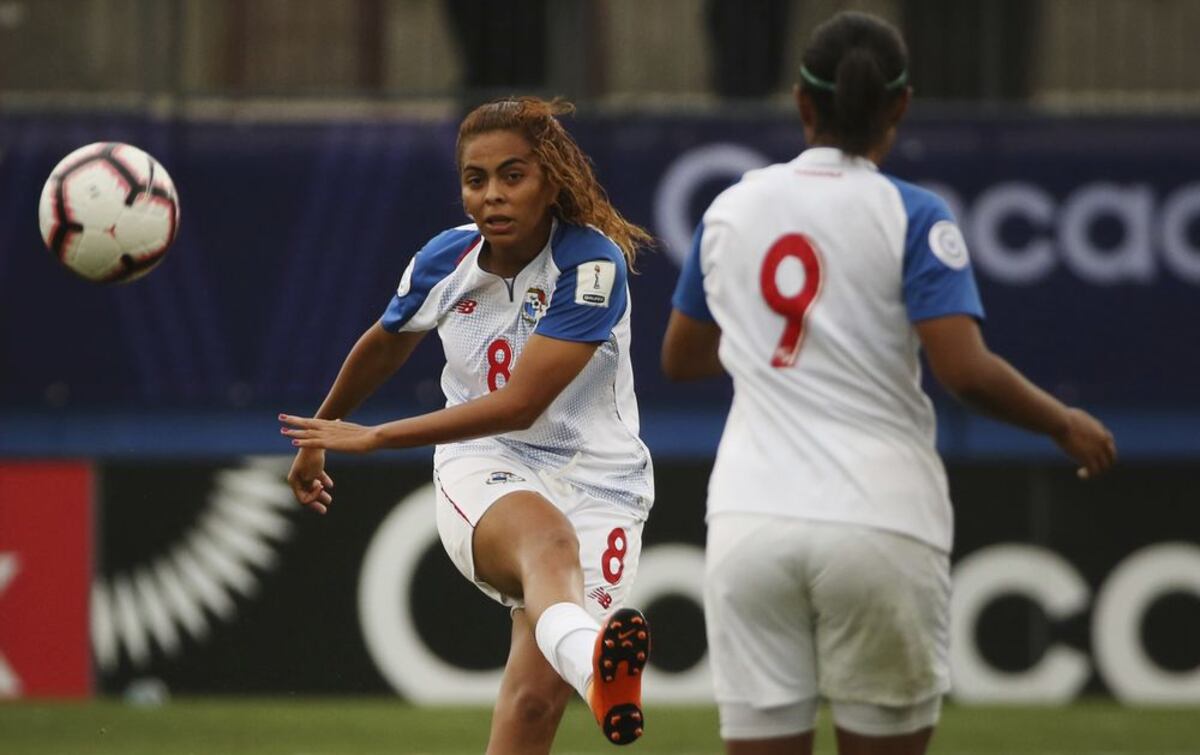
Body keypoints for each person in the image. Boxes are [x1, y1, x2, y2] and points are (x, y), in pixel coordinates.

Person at [662, 11, 1115, 755]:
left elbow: (681, 357)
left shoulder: (730, 207)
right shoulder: (913, 213)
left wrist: (778, 350)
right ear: (899, 106)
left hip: (749, 522)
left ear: (803, 105)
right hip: (878, 520)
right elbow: (962, 369)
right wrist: (1061, 421)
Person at [280, 96, 655, 753]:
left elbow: (522, 400)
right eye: (475, 180)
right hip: (484, 458)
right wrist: (324, 431)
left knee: (535, 700)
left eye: (513, 176)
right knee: (550, 546)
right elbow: (386, 342)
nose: (492, 197)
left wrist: (377, 436)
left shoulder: (592, 266)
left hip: (605, 484)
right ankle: (598, 662)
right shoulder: (444, 261)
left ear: (551, 180)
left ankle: (591, 664)